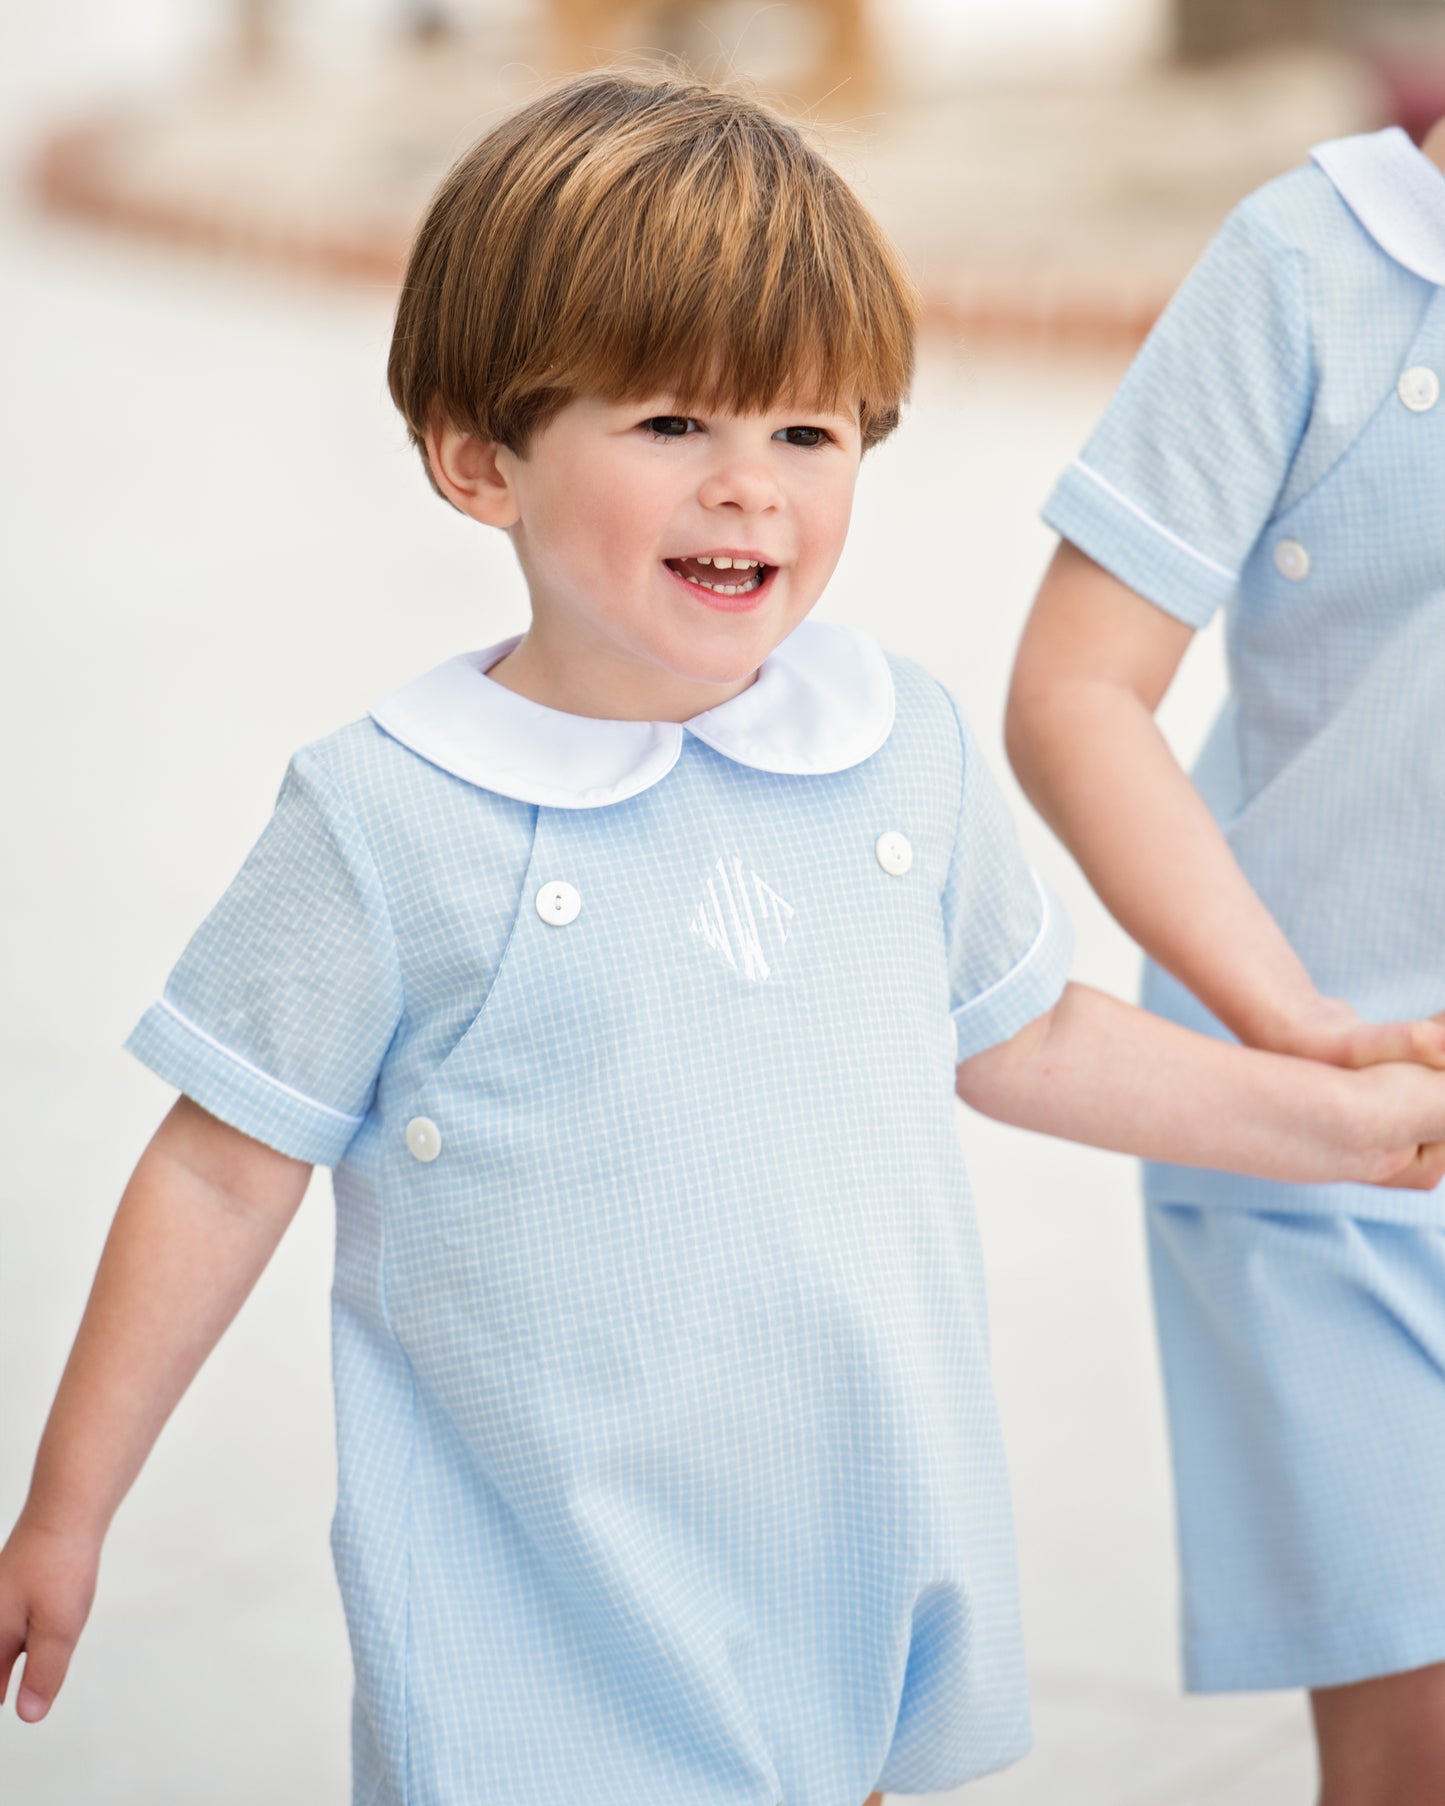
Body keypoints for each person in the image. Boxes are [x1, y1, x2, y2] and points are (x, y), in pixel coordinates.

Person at [2, 73, 1444, 1806]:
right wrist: (68, 1508)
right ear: (481, 456)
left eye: (808, 433)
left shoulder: (890, 746)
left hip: (834, 1561)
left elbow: (1023, 1036)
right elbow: (222, 1171)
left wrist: (1344, 1118)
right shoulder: (395, 819)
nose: (750, 489)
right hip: (542, 1613)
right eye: (675, 425)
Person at [1008, 116, 1445, 1806]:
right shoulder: (1303, 266)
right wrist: (1299, 1037)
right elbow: (1073, 691)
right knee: (1414, 1739)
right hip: (1315, 1143)